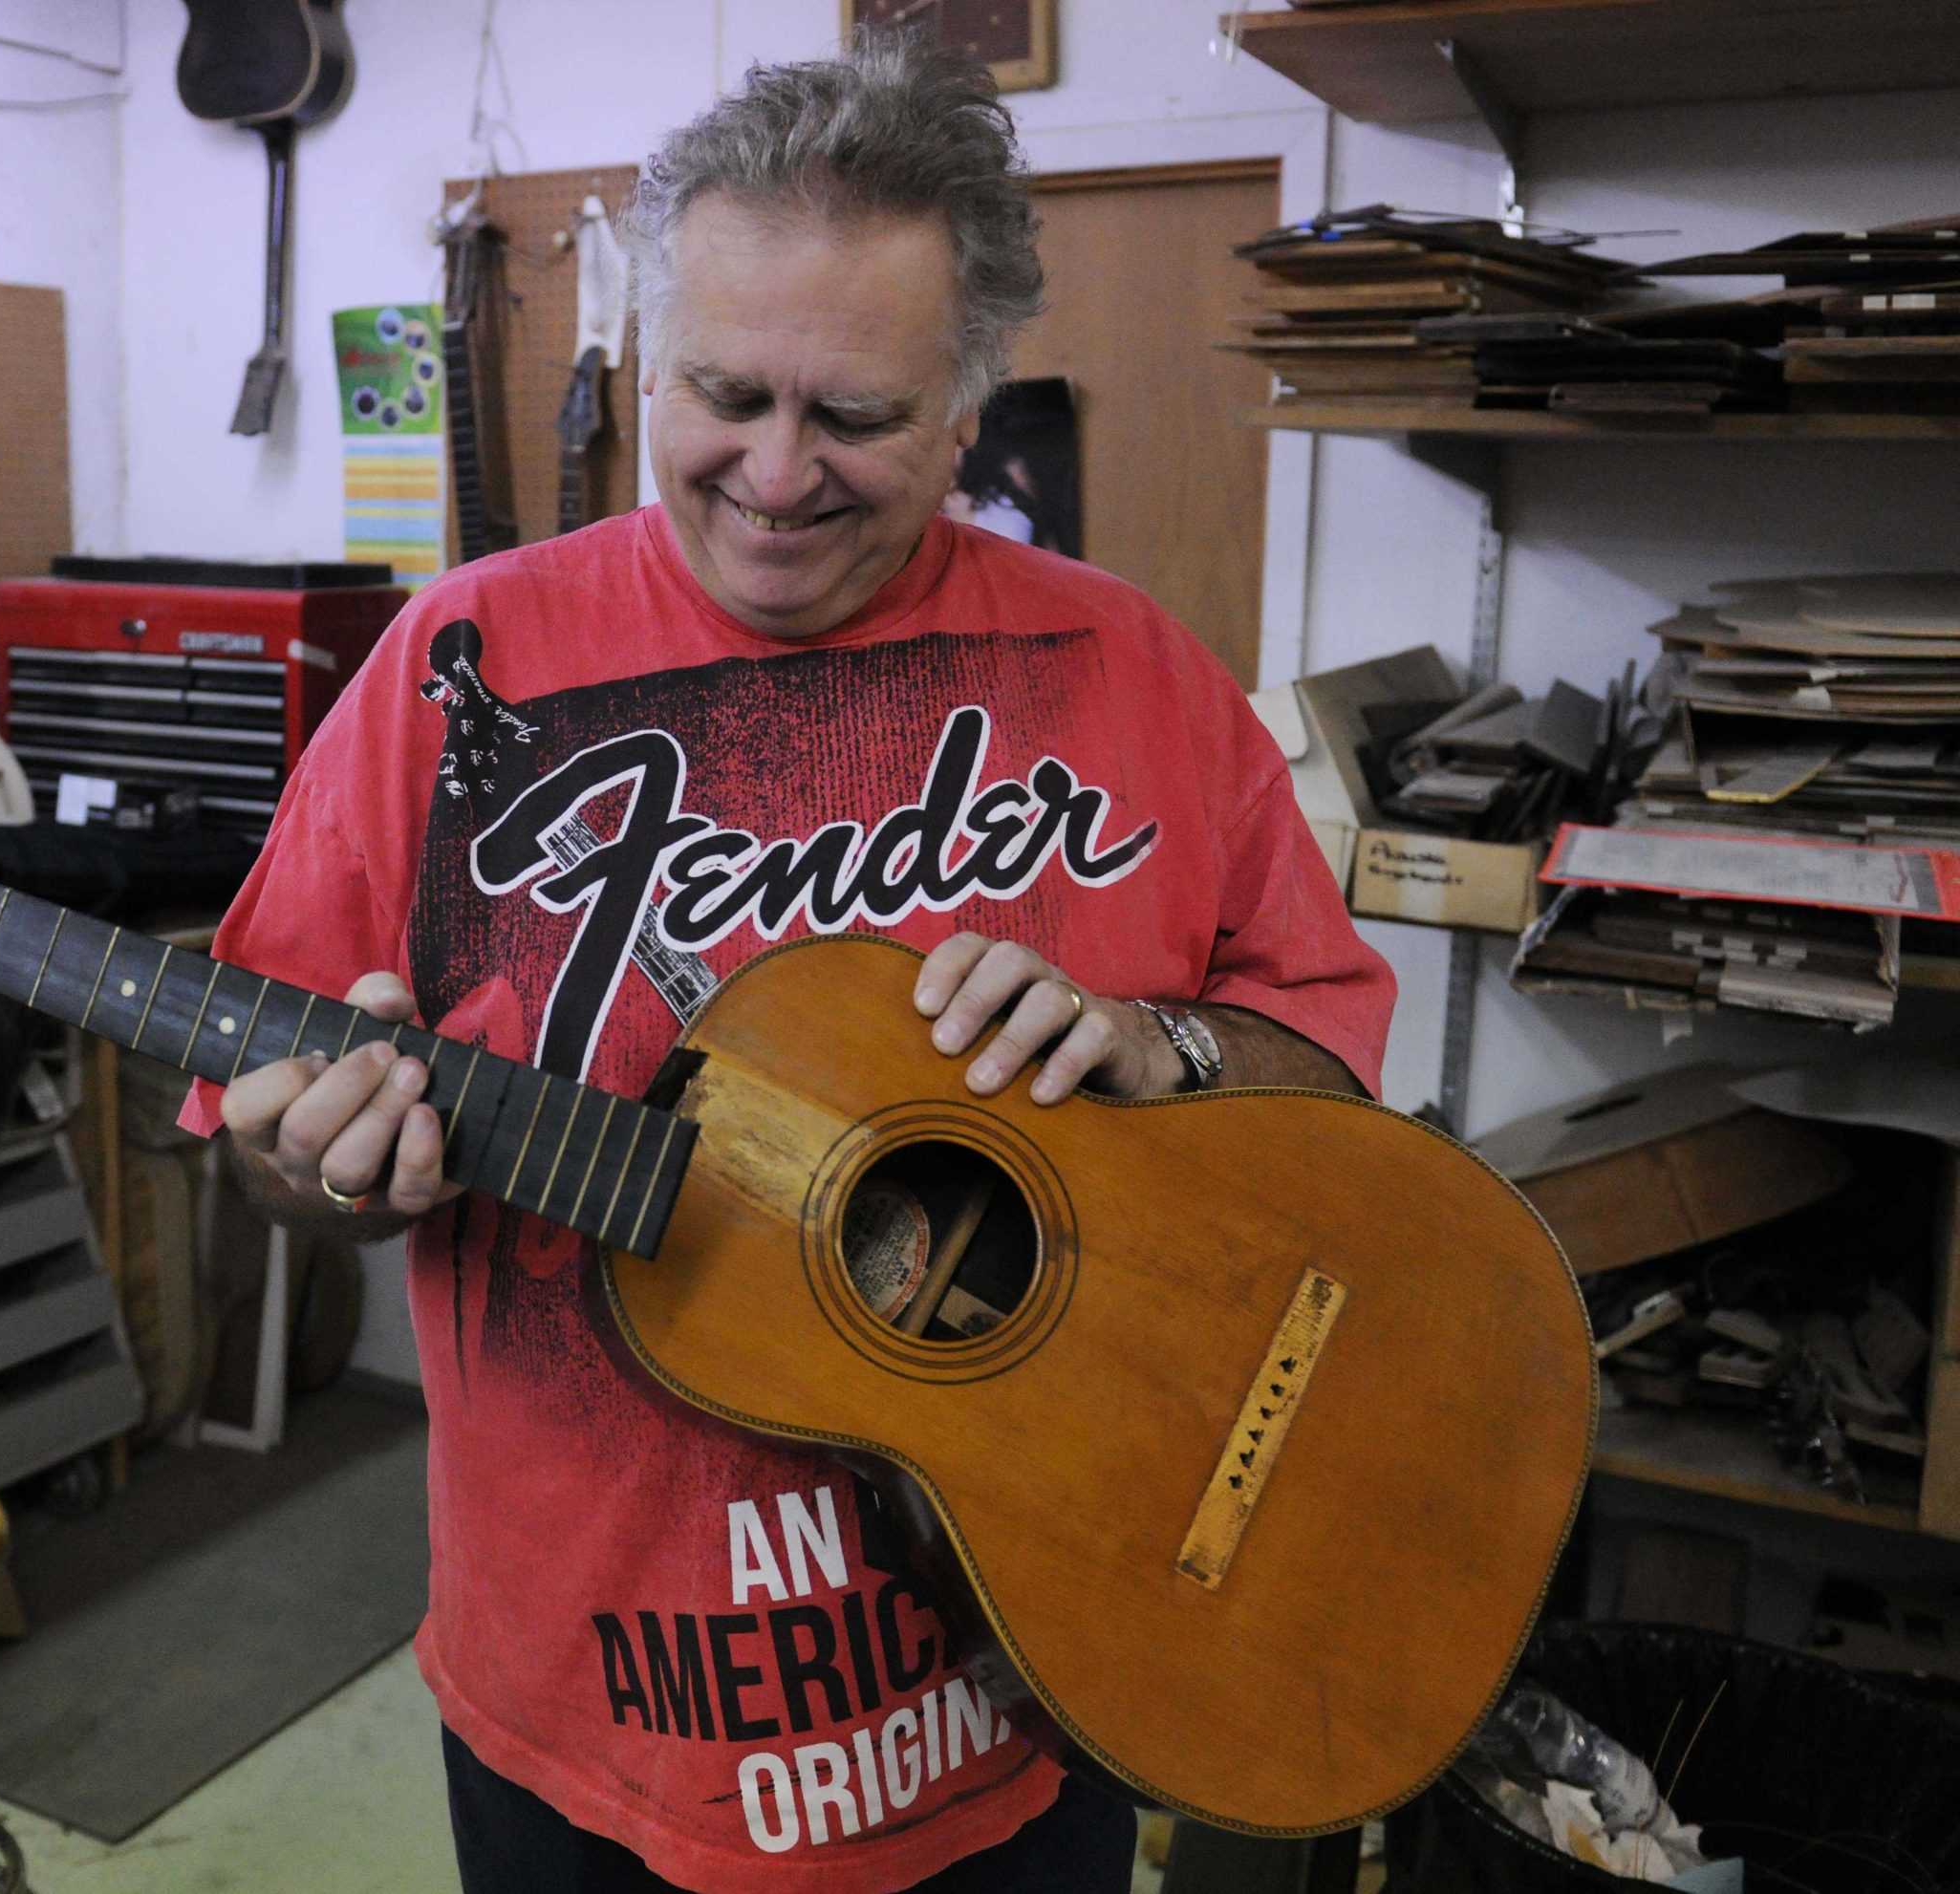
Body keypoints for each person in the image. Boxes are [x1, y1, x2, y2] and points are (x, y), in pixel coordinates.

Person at [181, 30, 1394, 1894]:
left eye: (852, 419)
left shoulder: (1137, 678)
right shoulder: (453, 671)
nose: (768, 474)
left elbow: (1331, 1092)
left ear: (974, 401)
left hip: (1026, 1691)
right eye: (721, 392)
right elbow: (272, 1149)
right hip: (575, 1707)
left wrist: (1169, 1047)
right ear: (652, 356)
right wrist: (315, 1157)